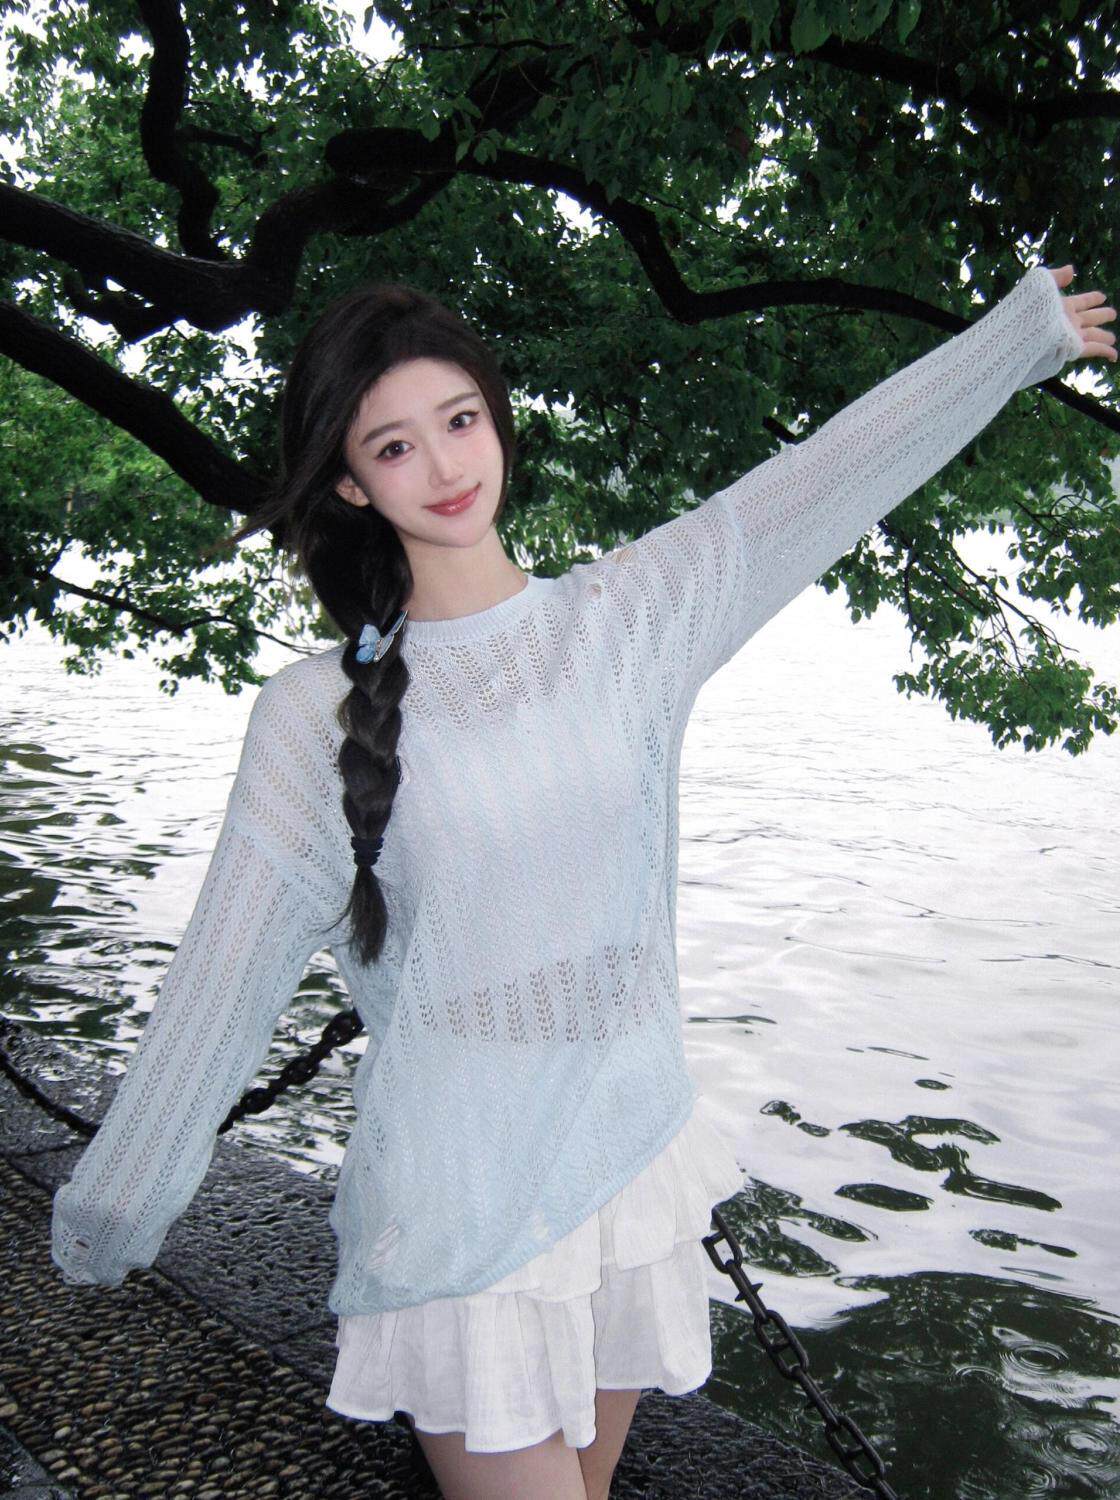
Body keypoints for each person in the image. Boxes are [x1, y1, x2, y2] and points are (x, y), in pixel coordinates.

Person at [50, 264, 1114, 1500]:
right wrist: (114, 1209)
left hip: (624, 1165)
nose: (444, 465)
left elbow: (824, 476)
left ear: (497, 420)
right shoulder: (310, 716)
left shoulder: (627, 621)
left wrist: (1015, 340)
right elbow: (222, 980)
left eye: (460, 420)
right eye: (394, 446)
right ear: (349, 483)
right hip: (457, 1209)